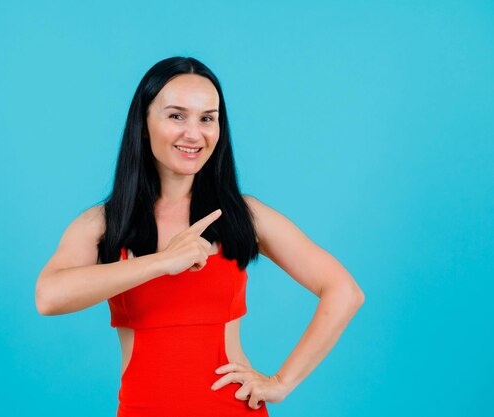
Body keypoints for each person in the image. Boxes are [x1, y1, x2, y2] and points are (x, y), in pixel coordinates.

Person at [35, 56, 365, 416]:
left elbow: (344, 291)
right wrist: (162, 261)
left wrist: (282, 382)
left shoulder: (242, 214)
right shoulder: (103, 224)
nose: (194, 133)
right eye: (177, 116)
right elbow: (49, 297)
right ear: (144, 124)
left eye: (207, 118)